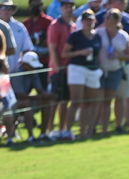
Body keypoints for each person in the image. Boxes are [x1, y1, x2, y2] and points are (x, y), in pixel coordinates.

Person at [62, 9, 103, 139]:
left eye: (91, 20)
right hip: (77, 68)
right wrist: (80, 52)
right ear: (82, 22)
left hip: (93, 69)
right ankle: (67, 131)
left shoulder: (97, 36)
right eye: (86, 20)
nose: (88, 23)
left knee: (90, 102)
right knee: (76, 101)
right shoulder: (75, 36)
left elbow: (99, 55)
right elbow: (65, 53)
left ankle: (86, 130)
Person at [96, 8, 129, 135]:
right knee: (101, 99)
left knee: (114, 99)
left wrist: (119, 55)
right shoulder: (99, 33)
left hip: (116, 69)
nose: (106, 20)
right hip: (100, 70)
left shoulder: (123, 35)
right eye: (106, 18)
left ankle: (117, 125)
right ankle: (102, 127)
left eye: (109, 18)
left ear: (116, 21)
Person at [10, 51, 56, 142]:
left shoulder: (32, 71)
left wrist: (46, 95)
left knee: (47, 103)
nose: (33, 68)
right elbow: (19, 95)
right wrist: (38, 97)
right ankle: (31, 137)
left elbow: (39, 90)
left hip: (27, 99)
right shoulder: (16, 72)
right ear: (25, 64)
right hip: (13, 102)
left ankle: (43, 134)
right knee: (27, 105)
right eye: (31, 66)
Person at [47, 0, 76, 139]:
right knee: (56, 100)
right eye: (66, 6)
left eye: (71, 6)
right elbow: (52, 49)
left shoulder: (73, 25)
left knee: (65, 100)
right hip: (58, 69)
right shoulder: (55, 25)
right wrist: (58, 68)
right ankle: (50, 129)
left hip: (70, 69)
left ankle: (62, 129)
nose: (69, 9)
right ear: (61, 8)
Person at [23, 0, 53, 92]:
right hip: (28, 65)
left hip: (44, 63)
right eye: (33, 4)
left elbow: (51, 44)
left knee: (44, 92)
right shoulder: (26, 23)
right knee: (25, 92)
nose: (36, 6)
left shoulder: (49, 22)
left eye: (38, 4)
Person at [0, 0, 34, 75]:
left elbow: (27, 48)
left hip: (16, 72)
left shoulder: (20, 27)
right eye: (4, 7)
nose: (7, 10)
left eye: (9, 8)